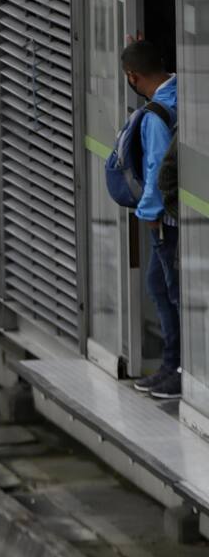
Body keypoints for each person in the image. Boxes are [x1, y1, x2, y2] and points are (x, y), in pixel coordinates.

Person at [122, 38, 180, 400]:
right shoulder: (182, 90)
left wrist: (148, 214)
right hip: (180, 214)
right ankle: (172, 364)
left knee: (169, 291)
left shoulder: (155, 115)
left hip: (166, 222)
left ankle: (177, 369)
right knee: (161, 287)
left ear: (133, 76)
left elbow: (158, 168)